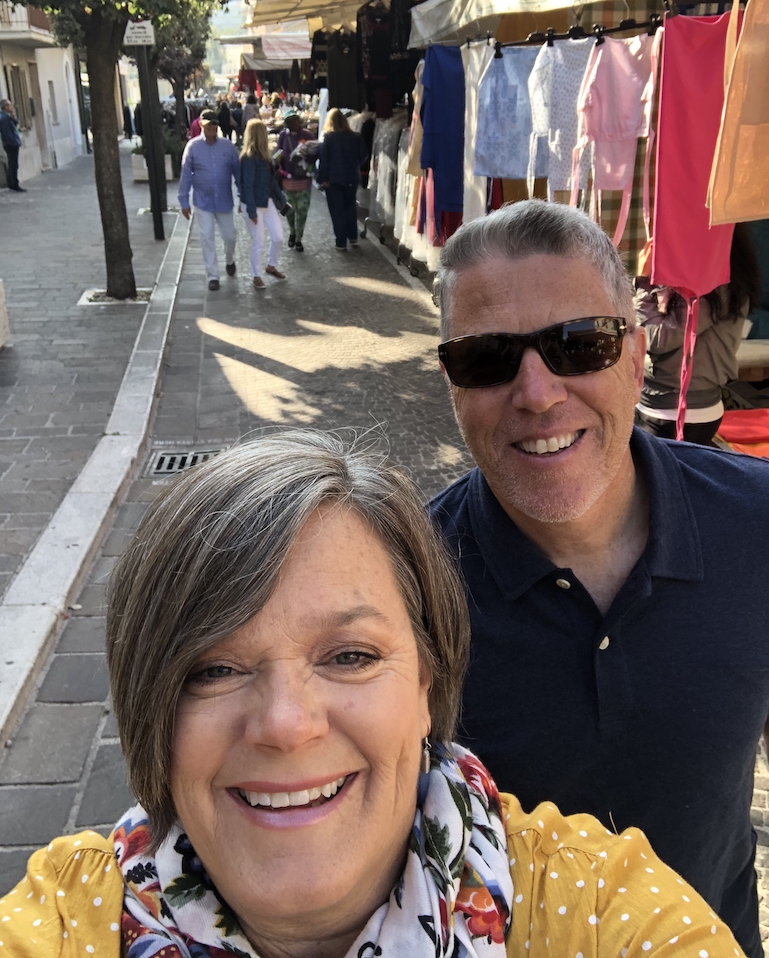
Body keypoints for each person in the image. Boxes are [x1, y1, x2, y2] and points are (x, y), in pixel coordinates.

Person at [0, 430, 747, 958]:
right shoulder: (65, 926)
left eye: (350, 656)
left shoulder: (602, 914)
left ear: (427, 682)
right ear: (148, 708)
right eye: (212, 669)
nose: (287, 724)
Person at [429, 198, 769, 958]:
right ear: (450, 381)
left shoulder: (756, 525)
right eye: (486, 357)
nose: (538, 392)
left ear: (637, 351)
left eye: (578, 344)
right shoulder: (406, 584)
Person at [634, 224, 762, 443]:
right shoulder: (718, 276)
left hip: (677, 413)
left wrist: (644, 281)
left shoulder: (713, 284)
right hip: (674, 407)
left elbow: (656, 338)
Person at [178, 109, 240, 291]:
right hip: (202, 201)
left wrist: (242, 196)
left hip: (224, 200)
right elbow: (186, 175)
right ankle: (213, 275)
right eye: (208, 125)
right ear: (201, 126)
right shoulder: (193, 147)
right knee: (206, 237)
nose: (212, 128)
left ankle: (229, 260)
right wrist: (183, 200)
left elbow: (238, 172)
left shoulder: (228, 147)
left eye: (214, 124)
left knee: (230, 236)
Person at [240, 118, 287, 289]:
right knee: (258, 241)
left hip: (266, 202)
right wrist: (252, 211)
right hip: (253, 204)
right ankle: (256, 275)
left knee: (278, 237)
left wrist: (281, 200)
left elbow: (271, 181)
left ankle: (271, 266)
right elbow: (247, 185)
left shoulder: (265, 156)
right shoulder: (248, 158)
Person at [317, 108, 368, 251]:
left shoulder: (327, 138)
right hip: (351, 176)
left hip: (333, 179)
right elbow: (364, 155)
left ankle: (341, 241)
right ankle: (353, 237)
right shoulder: (355, 137)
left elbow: (324, 159)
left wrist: (323, 177)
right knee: (350, 207)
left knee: (337, 210)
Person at [277, 108, 315, 252]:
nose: (294, 122)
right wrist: (278, 161)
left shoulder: (308, 135)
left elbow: (314, 154)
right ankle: (292, 232)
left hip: (304, 180)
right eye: (290, 120)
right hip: (288, 180)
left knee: (302, 211)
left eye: (295, 119)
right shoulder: (282, 136)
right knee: (290, 211)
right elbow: (278, 153)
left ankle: (299, 239)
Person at [0, 98, 24, 192]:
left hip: (11, 142)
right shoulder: (3, 118)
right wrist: (14, 143)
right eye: (10, 105)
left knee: (13, 163)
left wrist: (14, 118)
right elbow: (7, 133)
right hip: (11, 144)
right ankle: (13, 184)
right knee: (13, 164)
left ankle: (13, 183)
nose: (11, 107)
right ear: (5, 107)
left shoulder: (7, 117)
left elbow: (15, 124)